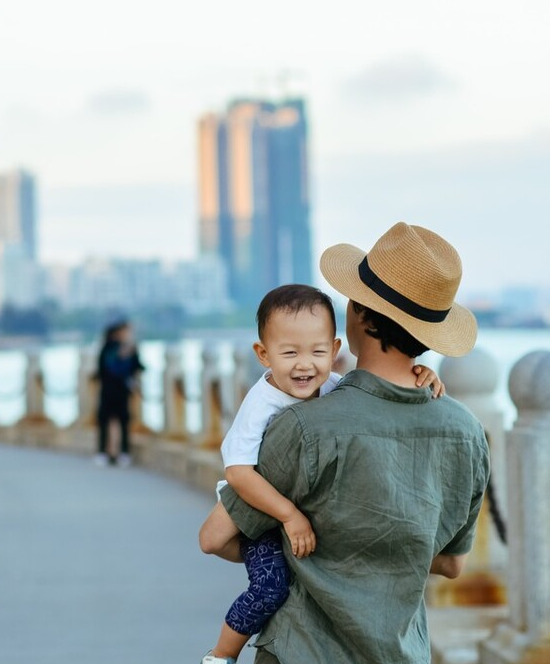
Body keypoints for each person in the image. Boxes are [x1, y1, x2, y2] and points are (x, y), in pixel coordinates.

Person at [200, 222, 490, 664]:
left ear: (357, 313)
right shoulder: (466, 431)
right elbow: (452, 563)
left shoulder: (303, 426)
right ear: (429, 336)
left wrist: (317, 543)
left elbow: (215, 538)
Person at [94, 319, 144, 467]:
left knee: (124, 421)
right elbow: (105, 369)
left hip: (122, 391)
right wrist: (122, 356)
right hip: (109, 390)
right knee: (105, 420)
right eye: (126, 331)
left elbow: (138, 366)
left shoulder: (130, 348)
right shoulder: (109, 348)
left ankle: (124, 452)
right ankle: (103, 452)